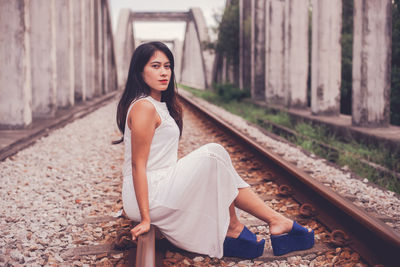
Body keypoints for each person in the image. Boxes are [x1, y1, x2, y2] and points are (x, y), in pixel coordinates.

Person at [114, 41, 314, 259]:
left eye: (167, 66)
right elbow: (137, 165)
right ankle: (248, 225)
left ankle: (268, 222)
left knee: (216, 159)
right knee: (213, 154)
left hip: (160, 185)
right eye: (155, 66)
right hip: (147, 194)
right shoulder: (144, 106)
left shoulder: (158, 104)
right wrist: (145, 219)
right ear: (139, 71)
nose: (164, 72)